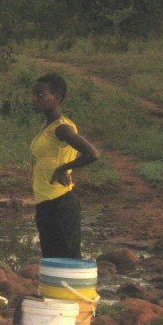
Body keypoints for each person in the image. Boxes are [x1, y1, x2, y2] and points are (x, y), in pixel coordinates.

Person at [30, 73, 99, 259]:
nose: (34, 99)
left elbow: (92, 154)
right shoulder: (48, 125)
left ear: (57, 98)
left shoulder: (62, 128)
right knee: (52, 260)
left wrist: (62, 169)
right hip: (46, 202)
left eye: (40, 95)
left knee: (67, 261)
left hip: (60, 204)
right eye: (34, 94)